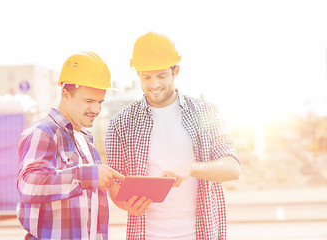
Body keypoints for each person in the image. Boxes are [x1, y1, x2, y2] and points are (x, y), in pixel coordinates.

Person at [105, 32, 241, 240]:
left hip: (200, 234)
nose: (154, 85)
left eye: (161, 76)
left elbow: (232, 168)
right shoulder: (120, 125)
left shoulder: (205, 112)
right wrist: (126, 204)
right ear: (138, 74)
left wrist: (190, 168)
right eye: (146, 77)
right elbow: (115, 187)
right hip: (147, 234)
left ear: (175, 71)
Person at [16, 51, 124, 240]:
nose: (96, 110)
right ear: (65, 94)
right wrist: (87, 175)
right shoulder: (44, 132)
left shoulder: (86, 141)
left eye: (100, 102)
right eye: (88, 101)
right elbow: (28, 185)